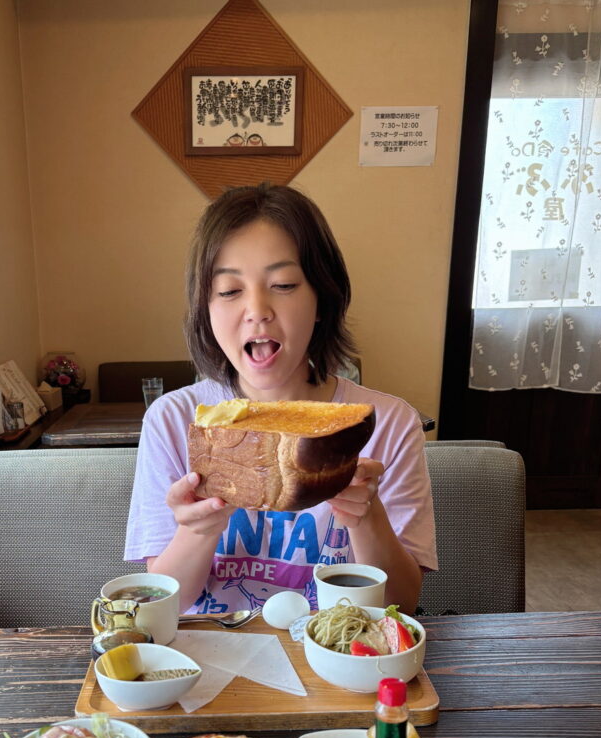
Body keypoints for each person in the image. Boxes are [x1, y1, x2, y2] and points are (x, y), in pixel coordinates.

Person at [125, 183, 437, 616]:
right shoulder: (174, 420)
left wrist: (367, 517)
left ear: (322, 300)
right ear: (205, 309)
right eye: (229, 290)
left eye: (284, 284)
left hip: (334, 650)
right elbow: (167, 605)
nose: (257, 310)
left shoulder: (389, 423)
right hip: (211, 651)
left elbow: (401, 603)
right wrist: (198, 531)